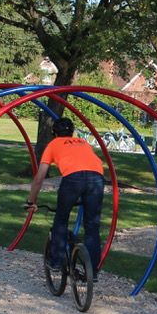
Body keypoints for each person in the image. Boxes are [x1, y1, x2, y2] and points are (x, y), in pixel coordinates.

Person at [24, 117, 105, 276]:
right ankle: (92, 272)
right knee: (92, 226)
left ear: (54, 133)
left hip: (73, 179)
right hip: (97, 178)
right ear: (72, 131)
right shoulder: (82, 142)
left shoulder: (53, 144)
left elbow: (40, 177)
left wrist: (30, 201)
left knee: (61, 218)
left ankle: (56, 261)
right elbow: (88, 163)